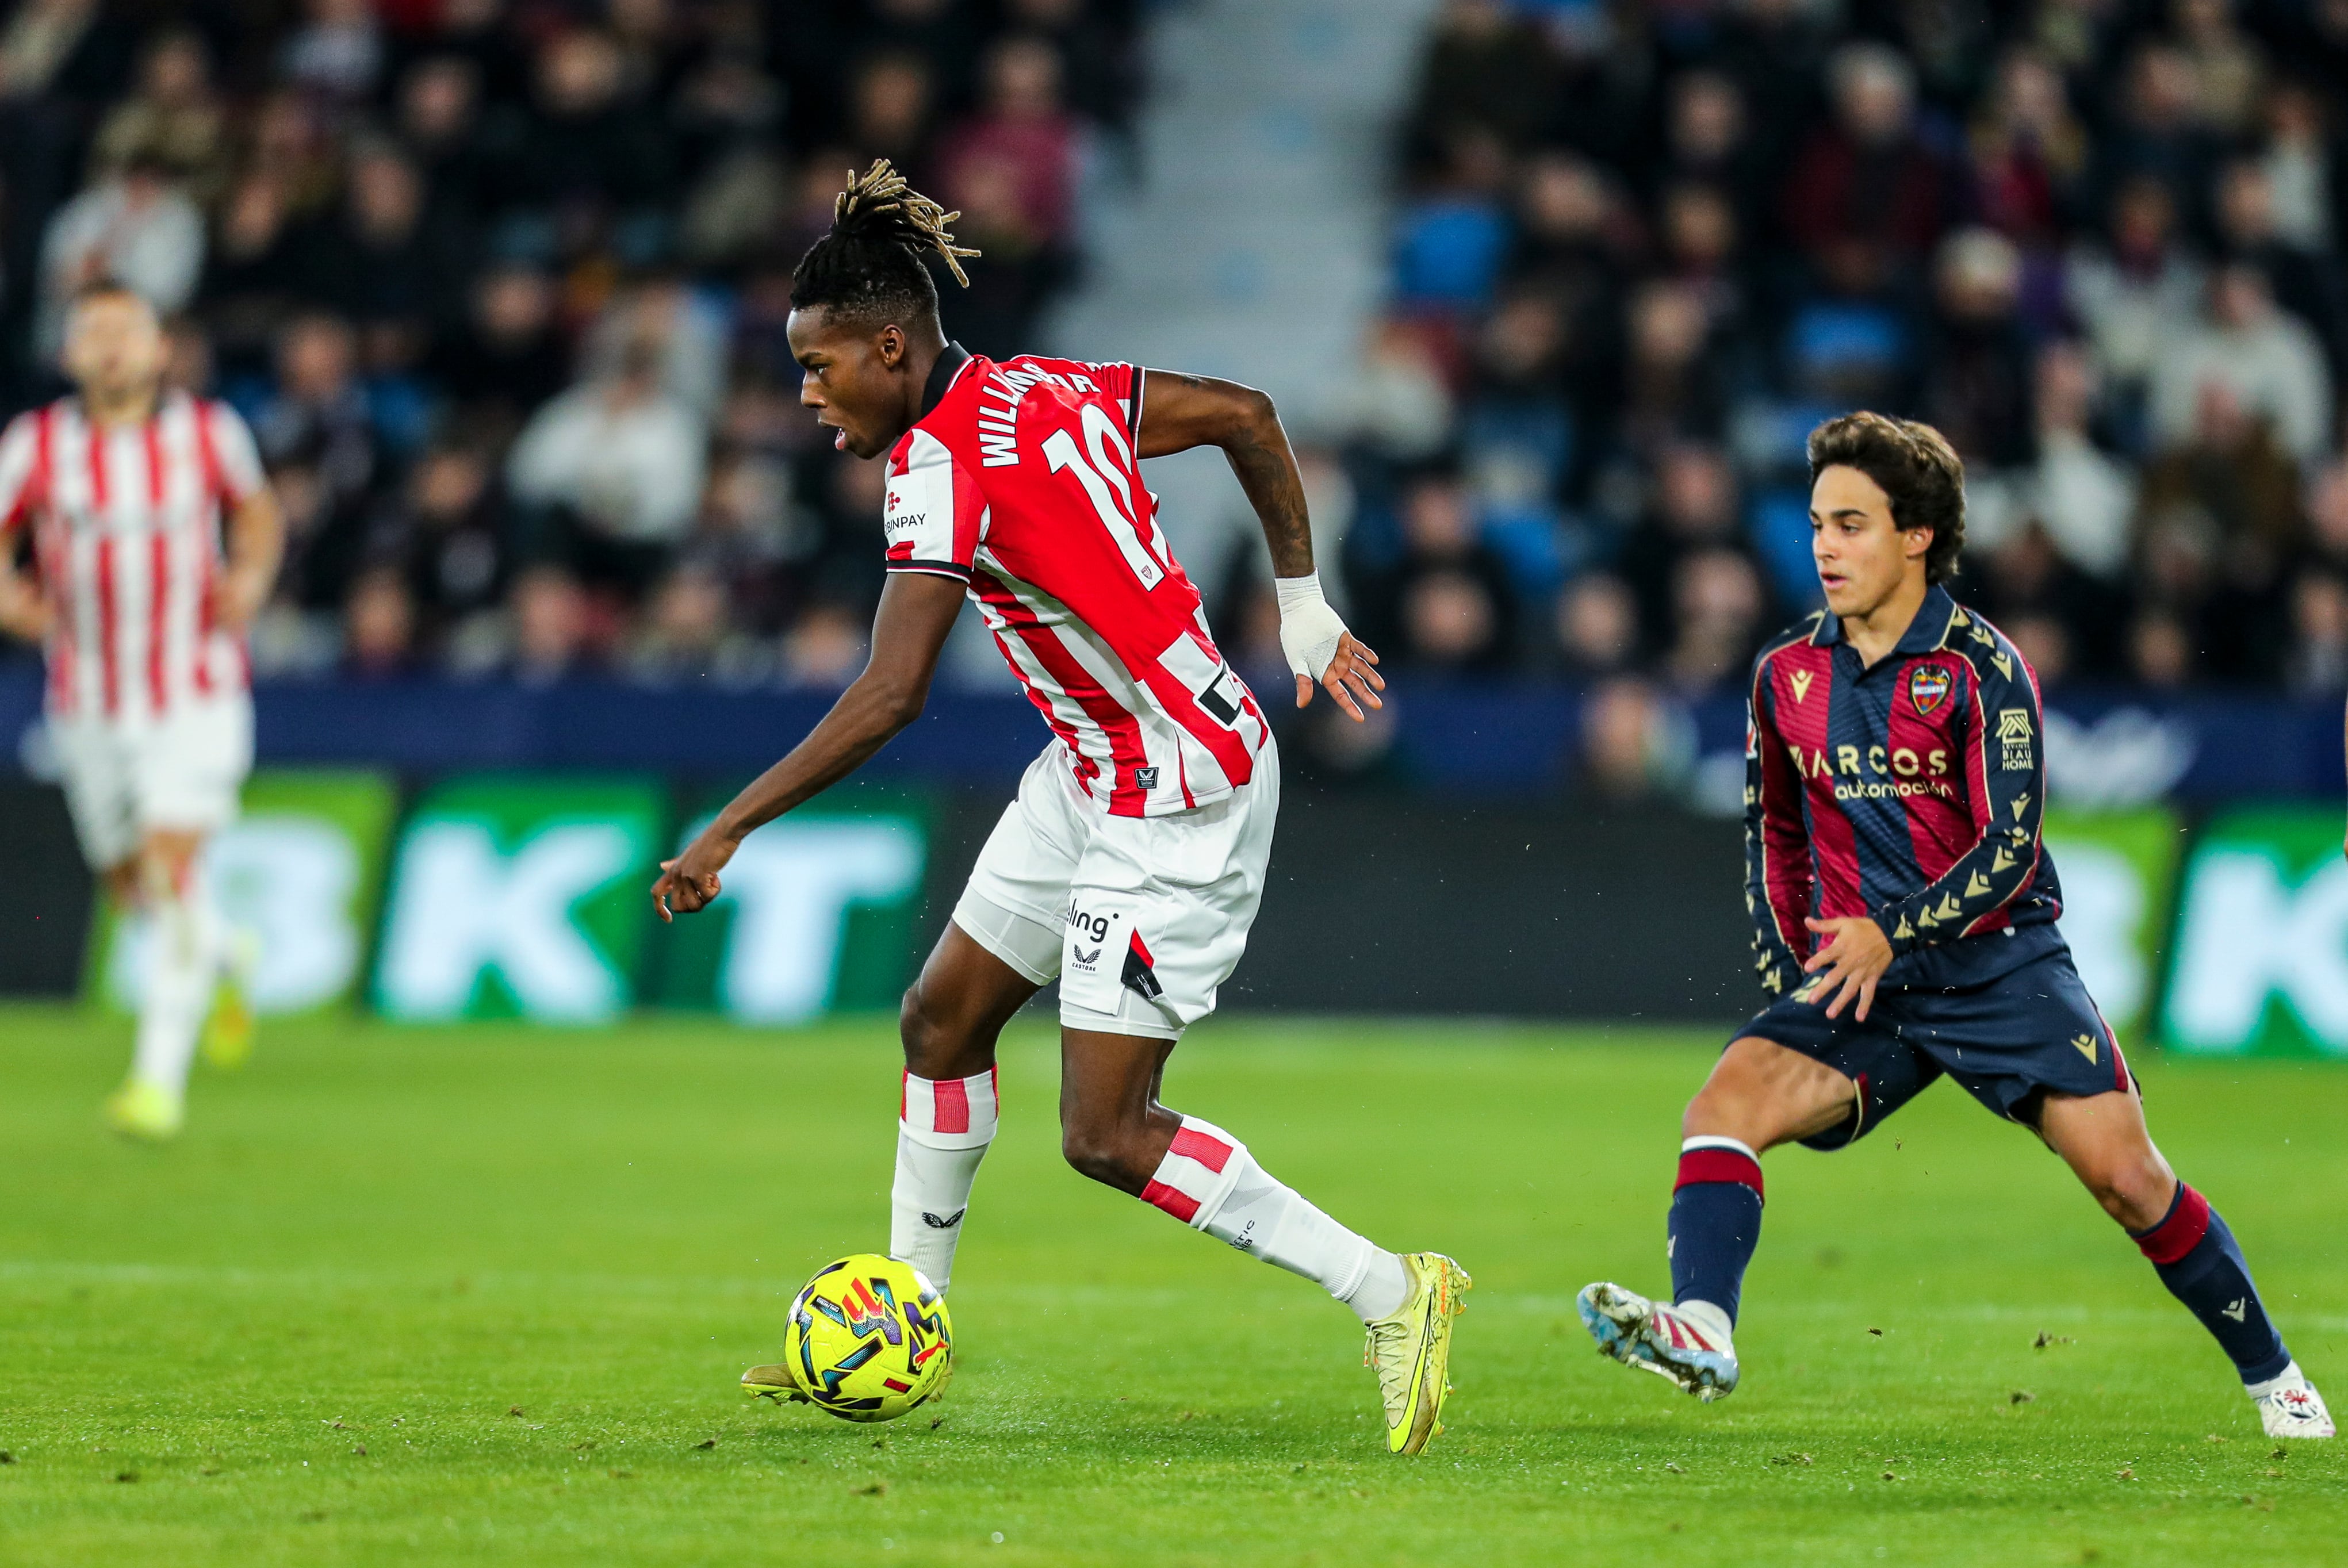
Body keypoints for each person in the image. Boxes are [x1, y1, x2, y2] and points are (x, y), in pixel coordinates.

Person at [649, 162, 1470, 1455]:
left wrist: (728, 825)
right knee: (940, 1019)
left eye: (819, 369)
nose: (807, 397)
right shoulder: (1044, 385)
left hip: (1176, 790)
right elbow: (1249, 413)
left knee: (1104, 1131)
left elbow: (890, 692)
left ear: (888, 346)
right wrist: (1300, 596)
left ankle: (1391, 1289)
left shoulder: (930, 465)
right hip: (1096, 763)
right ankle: (904, 1324)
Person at [1576, 412, 2334, 1442]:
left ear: (1917, 535)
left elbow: (2011, 845)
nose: (1825, 548)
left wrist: (1891, 931)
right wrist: (1782, 952)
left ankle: (2276, 1380)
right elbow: (1773, 830)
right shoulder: (1785, 676)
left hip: (1999, 965)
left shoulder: (1983, 669)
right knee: (1723, 1104)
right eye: (1817, 524)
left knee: (2127, 1179)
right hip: (1864, 979)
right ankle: (1705, 1327)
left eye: (1852, 525)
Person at [0, 282, 284, 1140]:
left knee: (168, 870)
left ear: (162, 350)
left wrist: (251, 578)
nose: (113, 346)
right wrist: (13, 604)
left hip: (195, 693)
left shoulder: (208, 433)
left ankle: (155, 1085)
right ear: (69, 353)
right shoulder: (35, 444)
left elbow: (258, 513)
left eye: (129, 331)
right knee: (134, 889)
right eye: (95, 332)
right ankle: (228, 950)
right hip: (87, 703)